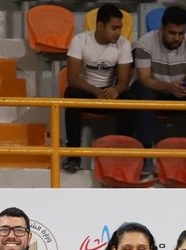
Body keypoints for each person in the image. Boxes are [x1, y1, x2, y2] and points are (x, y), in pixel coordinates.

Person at [128, 5, 186, 176]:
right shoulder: (145, 43)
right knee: (143, 98)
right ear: (162, 29)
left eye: (181, 33)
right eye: (172, 33)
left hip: (178, 89)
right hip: (154, 88)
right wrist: (169, 87)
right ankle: (146, 156)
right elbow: (145, 79)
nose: (176, 38)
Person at [62, 2, 133, 174]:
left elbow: (124, 80)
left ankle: (123, 155)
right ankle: (73, 154)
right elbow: (72, 79)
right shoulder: (80, 41)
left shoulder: (123, 44)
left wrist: (116, 89)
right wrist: (95, 91)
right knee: (71, 94)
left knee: (131, 98)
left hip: (109, 93)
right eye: (114, 28)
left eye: (120, 28)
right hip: (88, 91)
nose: (118, 32)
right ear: (100, 26)